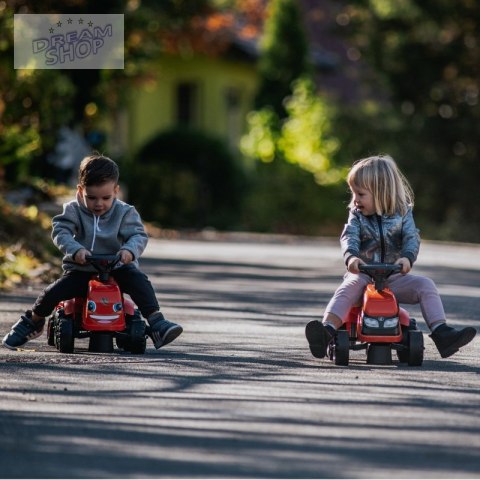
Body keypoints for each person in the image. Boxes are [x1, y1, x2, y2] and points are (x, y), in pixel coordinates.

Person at [2, 154, 183, 351]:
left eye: (106, 198)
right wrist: (76, 250)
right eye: (91, 197)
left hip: (118, 268)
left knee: (140, 281)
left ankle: (156, 322)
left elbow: (138, 235)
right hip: (82, 269)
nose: (99, 204)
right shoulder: (73, 210)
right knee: (53, 293)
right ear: (80, 191)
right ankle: (34, 321)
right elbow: (61, 232)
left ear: (116, 190)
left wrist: (129, 251)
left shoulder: (125, 212)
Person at [305, 154, 476, 360]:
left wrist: (407, 258)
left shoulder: (403, 213)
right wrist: (351, 258)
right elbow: (349, 236)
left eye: (360, 194)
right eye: (353, 193)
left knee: (426, 285)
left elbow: (411, 237)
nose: (355, 200)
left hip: (393, 277)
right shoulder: (356, 215)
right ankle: (327, 330)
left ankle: (442, 332)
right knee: (348, 288)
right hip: (364, 276)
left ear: (380, 193)